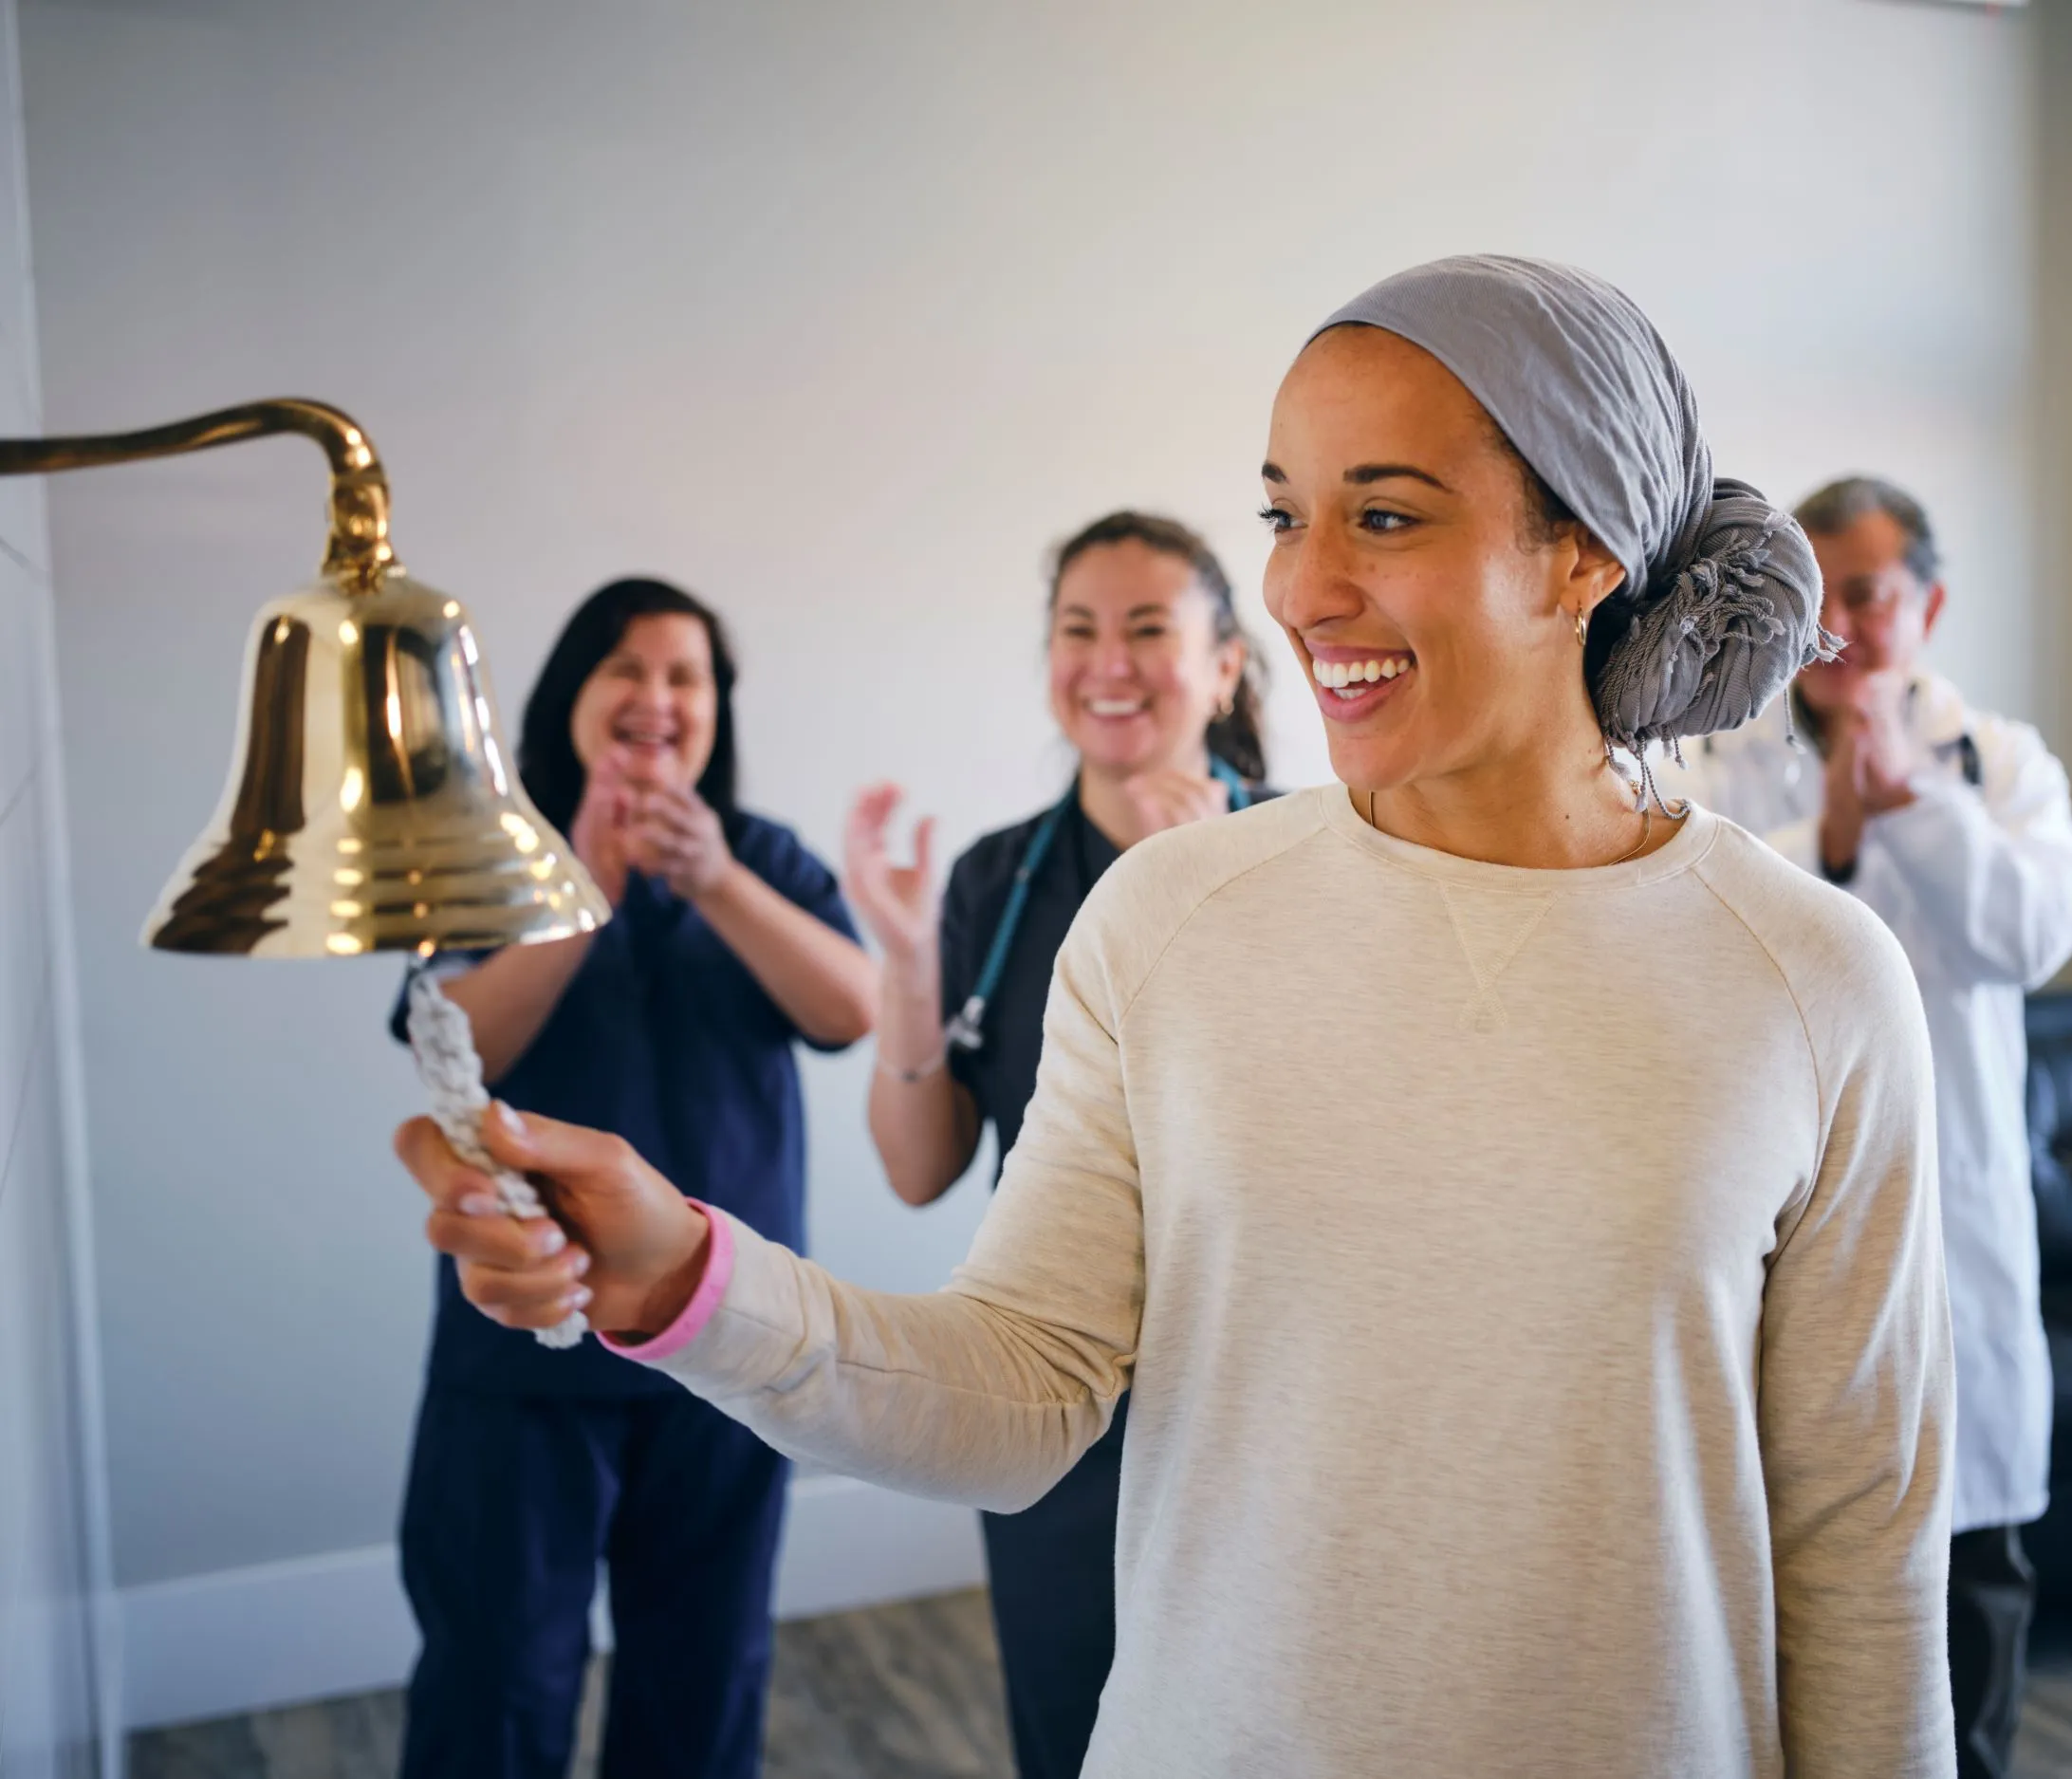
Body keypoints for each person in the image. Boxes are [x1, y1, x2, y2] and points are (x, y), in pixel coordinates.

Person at [396, 258, 1956, 1775]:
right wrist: (683, 1271)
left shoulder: (1810, 983)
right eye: (1286, 513)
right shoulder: (1169, 923)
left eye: (1386, 516)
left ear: (1583, 555)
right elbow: (1018, 1387)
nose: (1298, 586)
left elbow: (1861, 1557)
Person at [388, 577, 879, 1779]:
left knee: (702, 1675)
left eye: (685, 676)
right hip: (523, 1349)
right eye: (629, 669)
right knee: (497, 1677)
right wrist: (587, 885)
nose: (657, 697)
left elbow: (851, 1008)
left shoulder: (760, 858)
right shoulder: (491, 855)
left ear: (715, 711)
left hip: (725, 1347)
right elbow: (448, 1044)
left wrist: (710, 876)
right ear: (574, 696)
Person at [840, 510, 1272, 1779]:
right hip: (1058, 1405)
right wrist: (908, 960)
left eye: (1150, 628)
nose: (1110, 661)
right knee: (1072, 1728)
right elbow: (920, 1167)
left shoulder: (1309, 856)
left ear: (1226, 665)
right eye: (1080, 629)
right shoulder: (994, 877)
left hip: (1262, 1390)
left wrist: (1192, 889)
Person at [1690, 476, 2072, 1779]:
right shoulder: (1716, 761)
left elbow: (2030, 936)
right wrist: (1837, 832)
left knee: (1968, 1602)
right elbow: (1701, 952)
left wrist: (1916, 800)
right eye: (1822, 592)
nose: (1845, 624)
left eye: (1869, 591)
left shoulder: (2004, 762)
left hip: (1955, 1235)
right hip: (1772, 1224)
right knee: (1780, 1612)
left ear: (1930, 601)